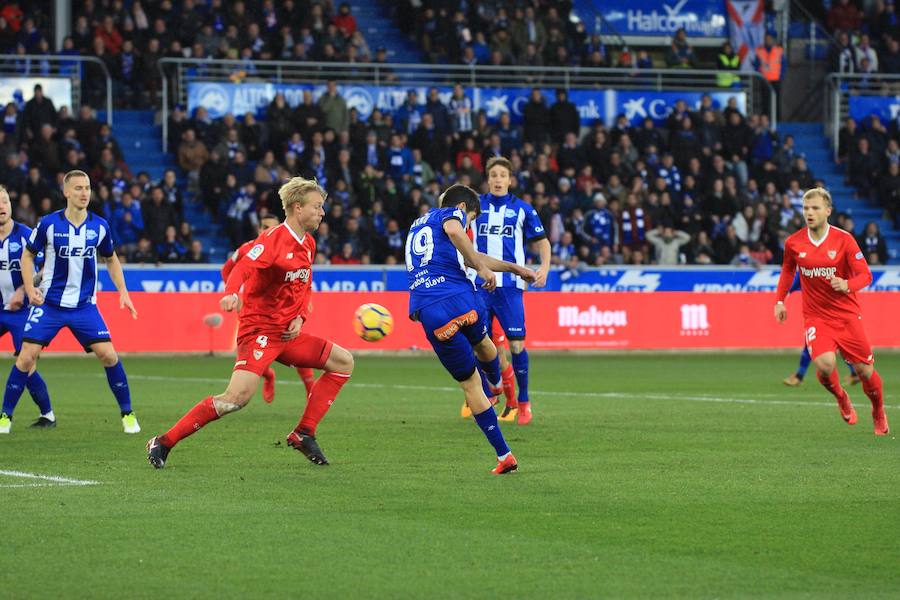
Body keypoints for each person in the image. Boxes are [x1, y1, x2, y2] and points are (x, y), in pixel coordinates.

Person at [148, 177, 354, 469]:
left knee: (344, 362)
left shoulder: (308, 243)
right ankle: (163, 441)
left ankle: (304, 432)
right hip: (259, 332)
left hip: (287, 333)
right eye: (317, 207)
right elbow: (243, 266)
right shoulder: (272, 240)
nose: (322, 212)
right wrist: (231, 292)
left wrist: (300, 316)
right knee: (236, 398)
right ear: (297, 208)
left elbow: (304, 284)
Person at [405, 183, 536, 474]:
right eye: (472, 220)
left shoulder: (418, 223)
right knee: (483, 343)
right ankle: (497, 383)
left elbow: (468, 255)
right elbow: (460, 240)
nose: (468, 228)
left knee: (469, 384)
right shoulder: (453, 215)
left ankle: (504, 455)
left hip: (429, 308)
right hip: (460, 297)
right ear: (464, 209)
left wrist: (513, 268)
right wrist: (483, 268)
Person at [2, 171, 139, 433]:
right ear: (66, 192)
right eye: (78, 188)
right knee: (26, 357)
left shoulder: (100, 226)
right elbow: (28, 256)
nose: (84, 193)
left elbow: (111, 259)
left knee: (109, 355)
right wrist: (30, 289)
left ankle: (128, 414)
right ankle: (5, 417)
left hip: (84, 306)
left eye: (87, 188)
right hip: (50, 305)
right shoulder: (49, 225)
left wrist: (123, 291)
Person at [774, 188, 888, 435]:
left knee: (864, 371)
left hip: (847, 315)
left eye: (815, 208)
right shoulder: (794, 242)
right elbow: (787, 271)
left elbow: (865, 275)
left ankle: (878, 410)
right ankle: (841, 397)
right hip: (816, 316)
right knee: (825, 365)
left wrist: (848, 284)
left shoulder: (844, 240)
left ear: (828, 211)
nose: (809, 213)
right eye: (806, 208)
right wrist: (780, 300)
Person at [472, 157, 551, 425]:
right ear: (487, 178)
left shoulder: (523, 210)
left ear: (510, 179)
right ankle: (489, 394)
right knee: (479, 345)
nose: (497, 179)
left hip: (511, 288)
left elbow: (543, 242)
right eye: (493, 174)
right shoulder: (475, 207)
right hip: (480, 285)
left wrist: (544, 268)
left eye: (502, 175)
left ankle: (524, 401)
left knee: (516, 345)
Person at [220, 213, 317, 400]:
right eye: (265, 227)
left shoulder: (289, 245)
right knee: (250, 357)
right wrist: (234, 295)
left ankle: (310, 389)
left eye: (272, 227)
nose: (268, 231)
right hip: (253, 312)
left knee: (295, 343)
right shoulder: (246, 249)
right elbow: (227, 270)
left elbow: (302, 278)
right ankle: (269, 375)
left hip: (283, 309)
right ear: (259, 229)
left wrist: (303, 305)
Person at [0, 186, 54, 433]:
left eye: (4, 202)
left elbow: (46, 268)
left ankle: (47, 414)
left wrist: (24, 288)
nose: (1, 207)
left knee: (27, 362)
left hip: (22, 312)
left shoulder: (25, 235)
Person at [781, 273, 858, 387]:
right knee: (839, 346)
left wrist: (781, 299)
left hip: (822, 315)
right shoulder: (814, 268)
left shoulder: (808, 269)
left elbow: (791, 285)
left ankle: (799, 376)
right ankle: (854, 372)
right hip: (833, 313)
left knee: (811, 344)